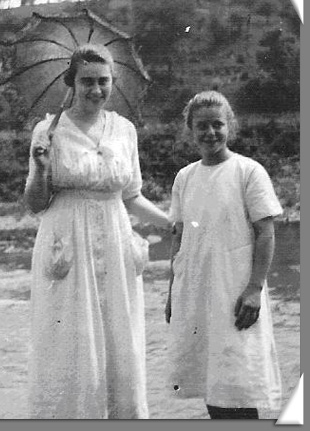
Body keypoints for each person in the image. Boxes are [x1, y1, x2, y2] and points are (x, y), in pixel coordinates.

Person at [24, 43, 169, 419]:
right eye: (87, 81)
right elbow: (36, 203)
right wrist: (40, 167)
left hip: (116, 238)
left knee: (120, 337)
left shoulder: (124, 130)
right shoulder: (49, 130)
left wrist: (170, 223)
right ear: (71, 82)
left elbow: (132, 195)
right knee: (70, 340)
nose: (96, 90)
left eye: (103, 81)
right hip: (67, 240)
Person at [165, 91, 283, 419]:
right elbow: (179, 237)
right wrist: (172, 293)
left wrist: (254, 289)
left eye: (218, 124)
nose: (210, 133)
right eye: (202, 126)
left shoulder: (249, 171)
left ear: (230, 126)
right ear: (190, 130)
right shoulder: (185, 177)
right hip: (198, 291)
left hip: (236, 291)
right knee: (211, 381)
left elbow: (266, 232)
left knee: (241, 384)